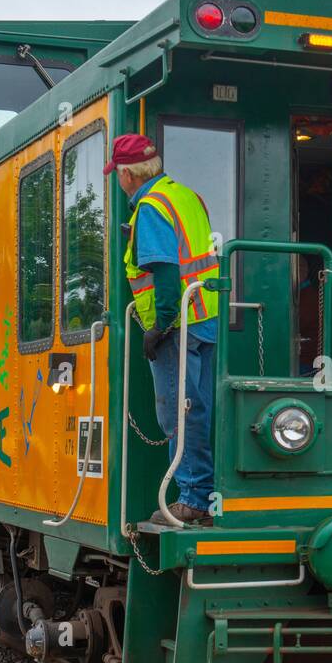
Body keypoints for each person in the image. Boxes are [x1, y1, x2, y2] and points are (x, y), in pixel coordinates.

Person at [105, 134, 218, 525]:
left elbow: (167, 272)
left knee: (177, 412)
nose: (118, 181)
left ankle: (190, 500)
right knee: (199, 408)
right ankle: (205, 495)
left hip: (178, 324)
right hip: (206, 318)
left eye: (117, 174)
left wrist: (161, 326)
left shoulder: (151, 208)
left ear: (127, 174)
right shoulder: (186, 196)